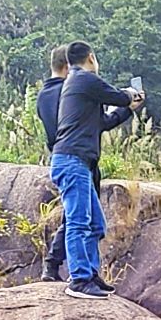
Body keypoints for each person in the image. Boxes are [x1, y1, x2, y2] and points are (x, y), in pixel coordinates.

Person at [51, 40, 143, 299]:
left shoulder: (79, 86)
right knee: (79, 222)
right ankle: (79, 280)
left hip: (77, 161)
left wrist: (127, 110)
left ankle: (90, 274)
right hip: (72, 161)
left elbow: (104, 121)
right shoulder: (83, 79)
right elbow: (118, 95)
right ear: (90, 57)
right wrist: (131, 95)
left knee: (95, 224)